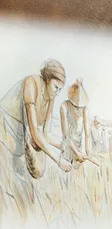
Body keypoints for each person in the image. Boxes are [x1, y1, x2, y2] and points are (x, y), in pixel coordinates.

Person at [0, 60, 72, 206]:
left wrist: (61, 146)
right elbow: (34, 131)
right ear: (46, 79)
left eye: (60, 89)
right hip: (4, 128)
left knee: (21, 186)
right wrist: (58, 161)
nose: (57, 92)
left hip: (19, 137)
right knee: (6, 180)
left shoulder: (51, 98)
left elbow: (45, 134)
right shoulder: (31, 84)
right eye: (55, 87)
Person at [60, 79, 91, 170]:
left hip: (78, 146)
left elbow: (87, 134)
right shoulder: (64, 106)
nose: (78, 109)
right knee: (67, 172)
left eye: (80, 106)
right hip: (67, 146)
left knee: (78, 173)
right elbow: (65, 135)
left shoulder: (85, 110)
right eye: (76, 106)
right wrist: (77, 153)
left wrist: (87, 154)